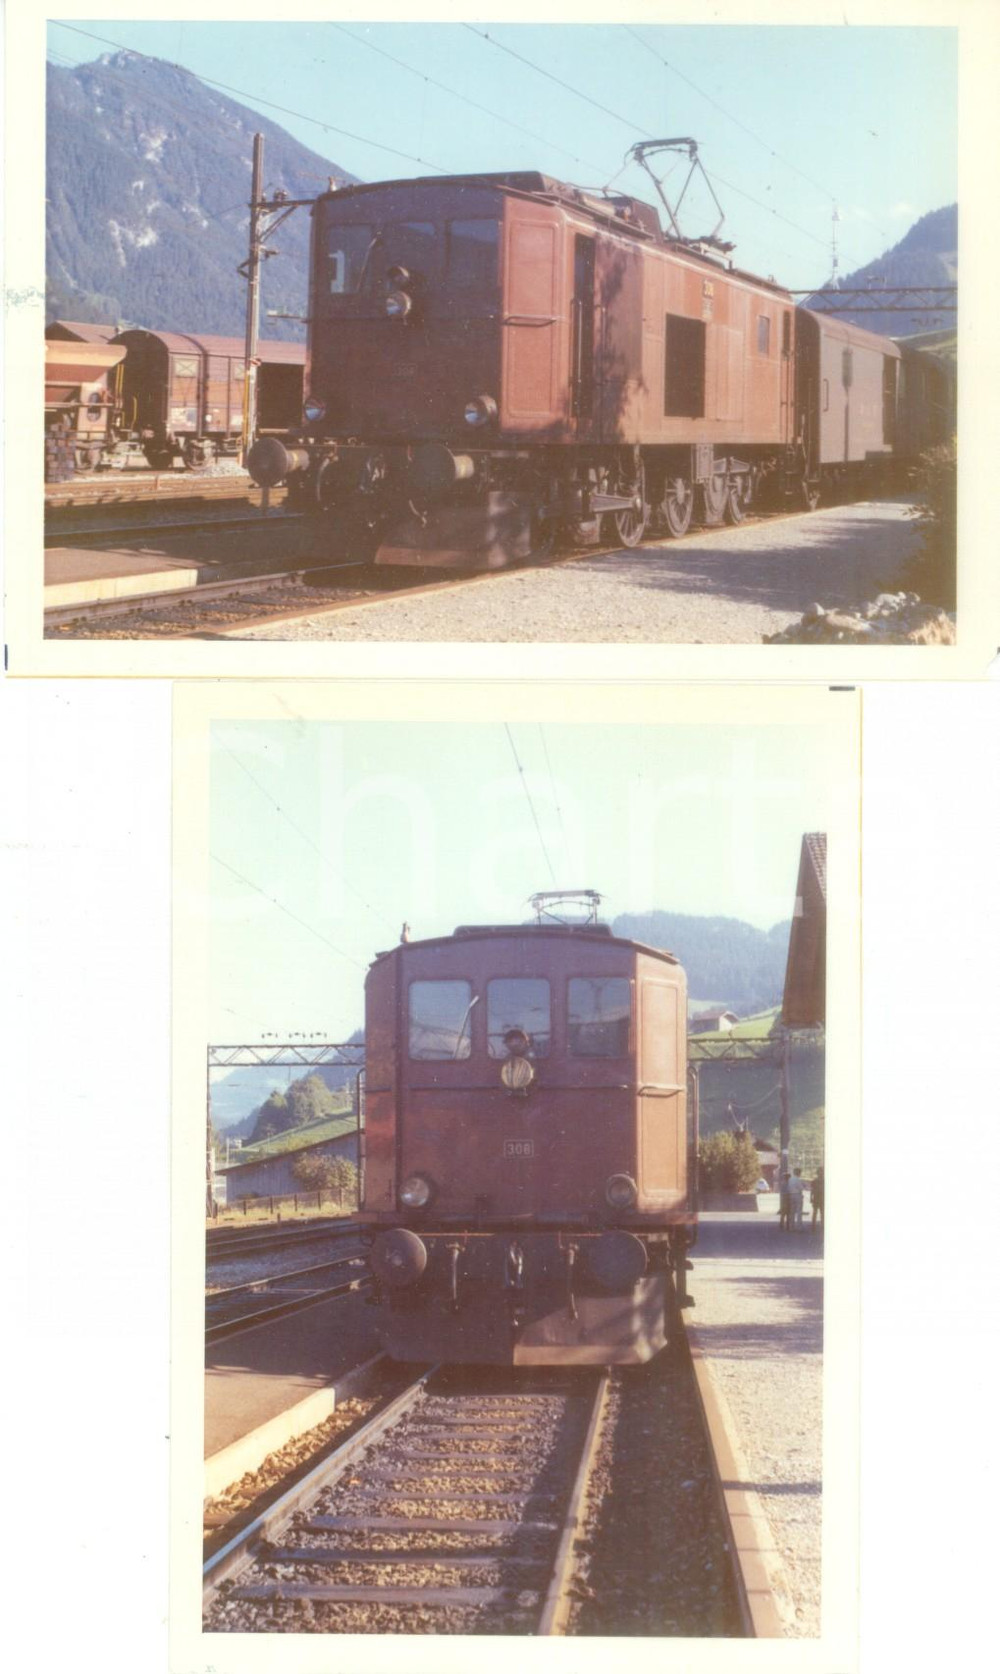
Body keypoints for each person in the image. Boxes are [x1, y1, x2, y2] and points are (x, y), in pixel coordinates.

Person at [811, 1166, 825, 1230]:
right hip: (820, 1198)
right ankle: (818, 1225)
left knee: (817, 1212)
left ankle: (815, 1226)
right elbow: (812, 1190)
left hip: (818, 1198)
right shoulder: (824, 1180)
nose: (821, 1174)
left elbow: (812, 1190)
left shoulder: (814, 1181)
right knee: (820, 1212)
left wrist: (811, 1198)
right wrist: (811, 1198)